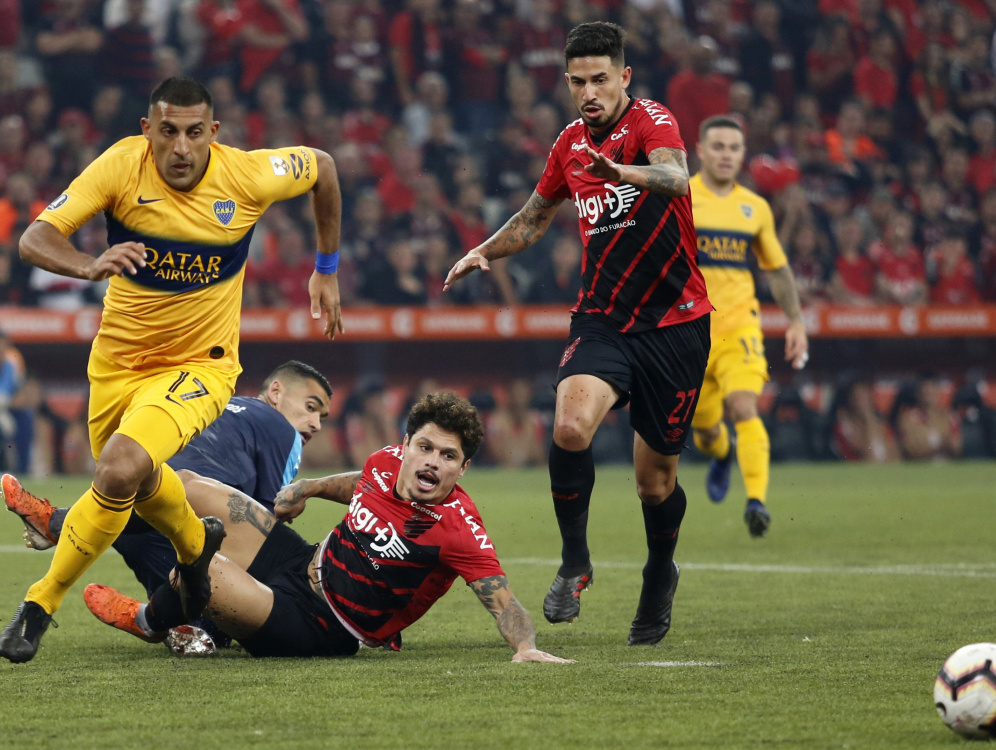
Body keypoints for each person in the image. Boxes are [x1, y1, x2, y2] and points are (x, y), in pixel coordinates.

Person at [0, 76, 345, 664]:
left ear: (213, 133)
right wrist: (88, 265)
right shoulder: (118, 167)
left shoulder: (248, 175)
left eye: (193, 133)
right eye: (167, 133)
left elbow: (324, 167)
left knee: (120, 468)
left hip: (199, 368)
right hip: (116, 368)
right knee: (138, 485)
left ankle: (39, 604)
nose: (180, 148)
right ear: (146, 132)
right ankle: (194, 549)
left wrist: (327, 266)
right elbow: (35, 238)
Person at [445, 22, 713, 646]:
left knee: (656, 482)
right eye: (577, 82)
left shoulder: (651, 120)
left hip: (675, 323)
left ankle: (658, 572)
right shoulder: (568, 143)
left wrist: (620, 168)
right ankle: (575, 561)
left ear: (623, 77)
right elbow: (534, 217)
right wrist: (486, 250)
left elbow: (677, 178)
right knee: (568, 424)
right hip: (603, 319)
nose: (588, 91)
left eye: (599, 79)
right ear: (566, 83)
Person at [83, 392, 572, 664]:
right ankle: (84, 519)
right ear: (406, 445)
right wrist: (310, 487)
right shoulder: (385, 462)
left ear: (461, 470)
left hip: (323, 626)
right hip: (301, 562)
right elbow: (360, 482)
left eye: (448, 457)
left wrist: (526, 648)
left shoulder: (457, 528)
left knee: (207, 568)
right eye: (424, 448)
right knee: (189, 484)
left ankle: (151, 619)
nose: (432, 463)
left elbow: (503, 600)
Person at [6, 360, 332, 598]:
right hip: (184, 511)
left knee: (200, 629)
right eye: (310, 407)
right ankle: (149, 615)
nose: (315, 423)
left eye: (321, 416)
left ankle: (68, 524)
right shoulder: (281, 428)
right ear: (276, 391)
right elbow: (260, 522)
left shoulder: (217, 405)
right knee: (245, 588)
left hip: (130, 508)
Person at [688, 115, 809, 538]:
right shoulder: (680, 197)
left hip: (740, 328)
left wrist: (795, 321)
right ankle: (721, 454)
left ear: (743, 154)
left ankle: (756, 502)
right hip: (688, 334)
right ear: (700, 150)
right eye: (717, 146)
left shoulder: (754, 208)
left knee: (744, 407)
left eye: (734, 148)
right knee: (705, 431)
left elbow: (776, 269)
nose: (726, 155)